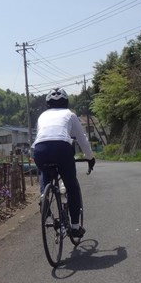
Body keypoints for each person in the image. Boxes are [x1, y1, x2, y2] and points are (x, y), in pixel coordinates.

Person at [32, 87, 95, 238]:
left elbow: (39, 136)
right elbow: (82, 139)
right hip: (62, 148)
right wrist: (90, 157)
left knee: (45, 173)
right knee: (72, 186)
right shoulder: (70, 115)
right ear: (66, 102)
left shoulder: (41, 116)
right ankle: (74, 226)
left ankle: (44, 196)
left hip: (39, 149)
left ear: (48, 104)